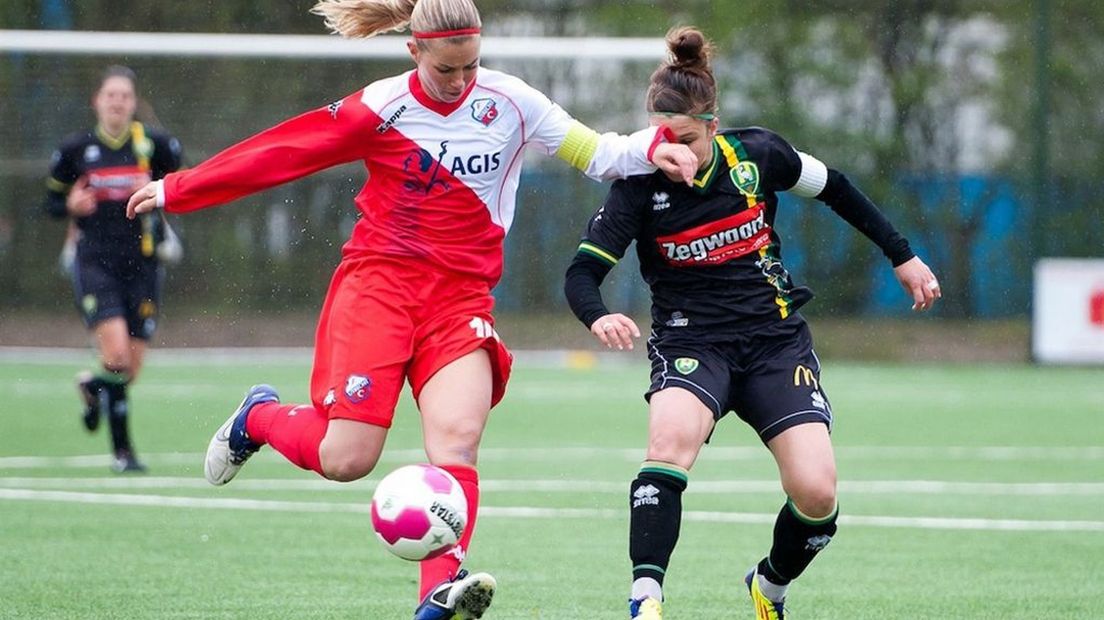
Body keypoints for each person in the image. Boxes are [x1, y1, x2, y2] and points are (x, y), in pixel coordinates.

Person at [125, 1, 697, 618]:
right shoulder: (380, 108)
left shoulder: (511, 101)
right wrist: (179, 188)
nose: (460, 81)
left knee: (458, 439)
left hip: (461, 303)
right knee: (348, 458)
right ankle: (259, 418)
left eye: (471, 66)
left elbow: (598, 153)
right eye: (446, 70)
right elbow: (283, 151)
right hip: (379, 290)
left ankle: (437, 597)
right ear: (414, 52)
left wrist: (655, 147)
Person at [563, 27, 941, 620]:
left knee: (817, 495)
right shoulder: (636, 186)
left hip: (774, 343)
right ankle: (645, 600)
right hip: (692, 342)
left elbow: (837, 188)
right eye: (662, 139)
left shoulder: (761, 155)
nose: (673, 152)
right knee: (666, 447)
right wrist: (599, 314)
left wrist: (902, 255)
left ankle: (769, 585)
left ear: (713, 125)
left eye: (686, 138)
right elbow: (581, 274)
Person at [44, 65, 183, 474]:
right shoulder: (75, 150)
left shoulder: (153, 144)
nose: (118, 102)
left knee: (129, 369)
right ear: (97, 101)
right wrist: (69, 206)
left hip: (143, 265)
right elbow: (50, 204)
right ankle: (124, 454)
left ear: (134, 103)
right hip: (94, 264)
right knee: (118, 355)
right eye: (111, 95)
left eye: (125, 96)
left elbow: (178, 182)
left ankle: (93, 388)